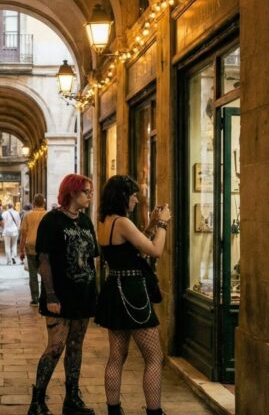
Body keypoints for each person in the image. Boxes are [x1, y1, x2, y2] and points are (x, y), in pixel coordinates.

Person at [94, 175, 170, 415]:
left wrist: (150, 225)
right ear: (122, 197)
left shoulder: (106, 220)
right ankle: (154, 411)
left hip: (114, 287)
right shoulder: (123, 223)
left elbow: (131, 246)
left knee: (117, 356)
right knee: (154, 358)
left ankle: (114, 410)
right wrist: (164, 225)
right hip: (132, 291)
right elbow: (155, 251)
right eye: (134, 195)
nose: (137, 199)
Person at [28, 174, 98, 415]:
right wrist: (51, 296)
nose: (90, 195)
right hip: (60, 295)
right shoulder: (52, 221)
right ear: (71, 193)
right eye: (86, 191)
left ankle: (72, 399)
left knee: (76, 346)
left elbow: (91, 259)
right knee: (56, 346)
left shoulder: (86, 222)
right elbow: (44, 260)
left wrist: (93, 292)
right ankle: (37, 401)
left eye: (90, 191)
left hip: (84, 294)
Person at [19, 193, 47, 305]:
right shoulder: (48, 215)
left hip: (31, 247)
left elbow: (23, 234)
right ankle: (44, 296)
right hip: (45, 247)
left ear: (33, 203)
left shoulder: (27, 215)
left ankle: (35, 298)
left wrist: (21, 250)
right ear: (43, 203)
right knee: (46, 273)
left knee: (33, 274)